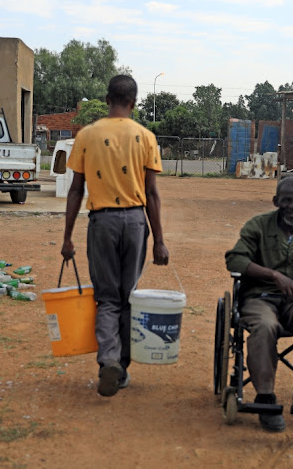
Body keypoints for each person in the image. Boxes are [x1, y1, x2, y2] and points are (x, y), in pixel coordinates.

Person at [61, 74, 169, 398]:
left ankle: (108, 360)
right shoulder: (146, 137)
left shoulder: (87, 135)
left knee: (107, 298)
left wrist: (67, 237)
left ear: (107, 99)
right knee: (128, 296)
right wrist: (160, 241)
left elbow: (75, 190)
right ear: (133, 103)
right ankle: (120, 368)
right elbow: (152, 193)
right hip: (136, 222)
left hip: (102, 222)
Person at [225, 176, 293, 432]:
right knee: (264, 326)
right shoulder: (258, 225)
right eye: (287, 200)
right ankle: (265, 397)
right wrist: (273, 275)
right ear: (276, 201)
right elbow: (235, 260)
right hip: (260, 299)